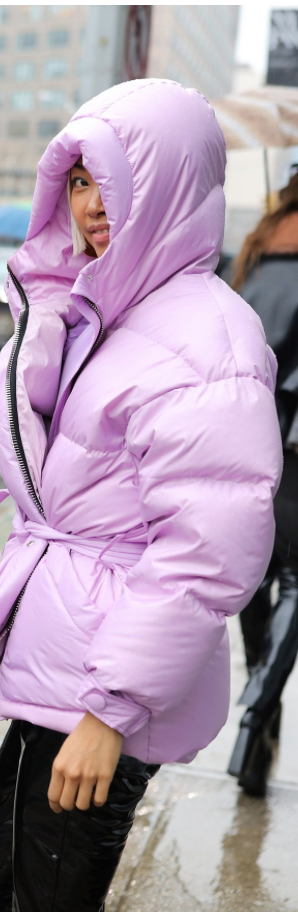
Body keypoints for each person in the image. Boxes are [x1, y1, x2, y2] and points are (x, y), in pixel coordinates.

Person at [0, 79, 282, 912]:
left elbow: (208, 551)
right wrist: (48, 307)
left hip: (107, 680)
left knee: (35, 902)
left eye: (115, 181)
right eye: (78, 181)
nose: (93, 204)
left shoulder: (208, 339)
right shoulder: (106, 311)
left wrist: (110, 712)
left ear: (170, 188)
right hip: (75, 655)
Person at [227, 172, 298, 796]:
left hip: (245, 438)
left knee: (255, 579)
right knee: (296, 582)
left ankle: (259, 714)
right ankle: (256, 714)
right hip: (294, 446)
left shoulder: (251, 255)